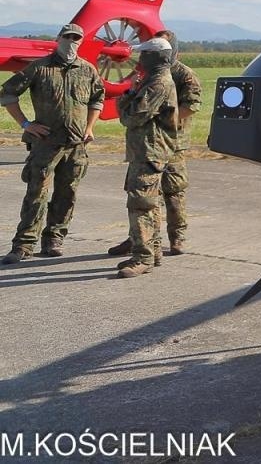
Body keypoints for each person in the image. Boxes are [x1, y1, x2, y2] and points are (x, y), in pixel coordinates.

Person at [1, 23, 106, 263]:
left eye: (76, 38)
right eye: (67, 37)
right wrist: (26, 124)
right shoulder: (39, 68)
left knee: (67, 193)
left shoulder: (87, 70)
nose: (72, 41)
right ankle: (23, 245)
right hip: (45, 144)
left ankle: (54, 239)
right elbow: (8, 93)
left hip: (76, 145)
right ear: (58, 39)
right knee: (36, 193)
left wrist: (90, 127)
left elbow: (97, 99)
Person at [108, 28, 200, 258]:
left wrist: (165, 119)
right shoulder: (147, 75)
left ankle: (176, 237)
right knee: (146, 195)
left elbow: (192, 106)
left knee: (174, 191)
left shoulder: (182, 74)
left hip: (173, 142)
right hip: (150, 144)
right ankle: (139, 238)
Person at [113, 37, 179, 278]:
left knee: (140, 204)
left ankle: (143, 258)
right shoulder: (153, 81)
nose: (139, 59)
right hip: (145, 151)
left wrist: (123, 100)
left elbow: (132, 117)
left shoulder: (157, 85)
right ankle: (153, 251)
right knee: (150, 204)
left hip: (149, 152)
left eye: (144, 54)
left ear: (154, 57)